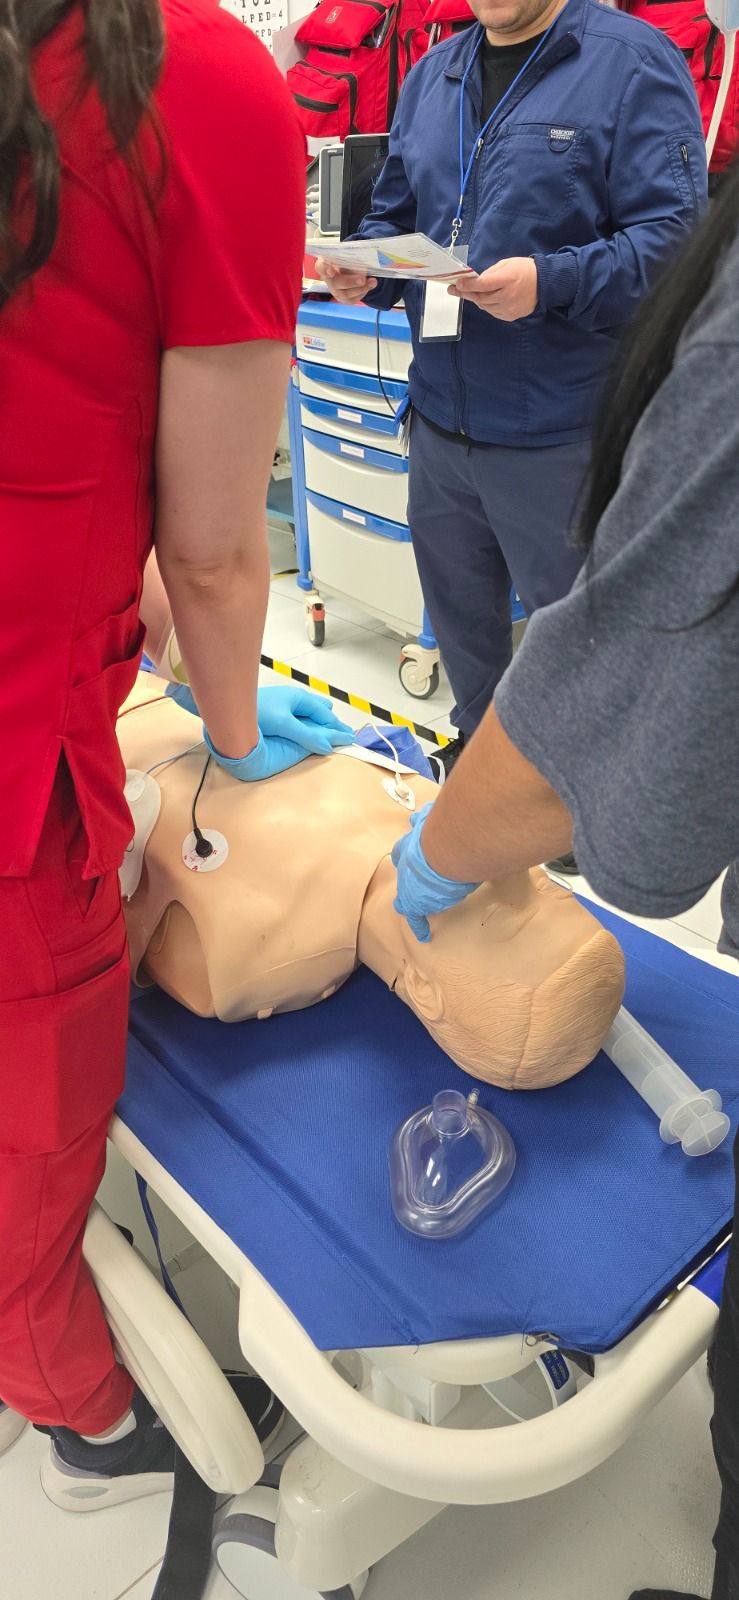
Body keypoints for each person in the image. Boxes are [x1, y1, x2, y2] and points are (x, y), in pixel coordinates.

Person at [0, 0, 352, 1512]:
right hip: (22, 776)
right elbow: (216, 559)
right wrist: (225, 737)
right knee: (32, 1149)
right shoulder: (190, 82)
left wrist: (97, 536)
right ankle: (79, 1411)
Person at [391, 149, 739, 1600]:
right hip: (455, 408)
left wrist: (427, 852)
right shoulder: (436, 72)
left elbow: (621, 769)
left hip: (540, 420)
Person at [316, 0, 706, 780]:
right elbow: (398, 213)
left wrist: (551, 280)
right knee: (464, 631)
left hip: (561, 428)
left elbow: (675, 243)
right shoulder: (434, 73)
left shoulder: (631, 63)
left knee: (582, 643)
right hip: (437, 417)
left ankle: (573, 796)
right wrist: (365, 266)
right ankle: (481, 770)